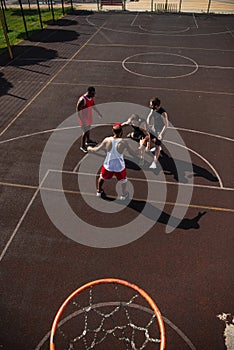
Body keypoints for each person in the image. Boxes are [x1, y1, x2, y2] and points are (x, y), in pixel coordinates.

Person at [87, 123, 135, 200]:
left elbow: (97, 149)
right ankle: (123, 195)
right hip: (119, 166)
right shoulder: (123, 142)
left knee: (102, 177)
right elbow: (133, 153)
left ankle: (99, 191)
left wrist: (90, 148)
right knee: (123, 180)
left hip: (108, 164)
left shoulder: (107, 140)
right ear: (121, 132)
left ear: (113, 131)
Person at [76, 86, 102, 153]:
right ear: (89, 92)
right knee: (85, 131)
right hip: (83, 118)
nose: (94, 95)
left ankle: (88, 140)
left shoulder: (91, 97)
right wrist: (82, 120)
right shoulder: (82, 100)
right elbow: (78, 110)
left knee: (88, 129)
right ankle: (82, 146)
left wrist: (98, 112)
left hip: (89, 116)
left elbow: (93, 104)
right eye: (93, 94)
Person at [146, 97, 169, 169]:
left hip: (160, 130)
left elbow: (166, 125)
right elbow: (149, 117)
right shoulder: (153, 110)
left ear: (156, 105)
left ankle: (154, 163)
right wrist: (148, 124)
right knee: (152, 139)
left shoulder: (163, 113)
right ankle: (158, 147)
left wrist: (161, 134)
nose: (150, 106)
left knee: (157, 146)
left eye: (151, 105)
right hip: (154, 128)